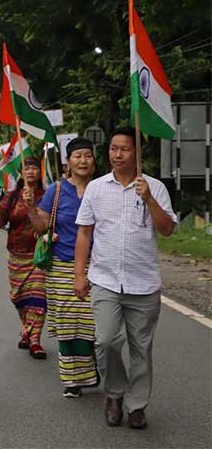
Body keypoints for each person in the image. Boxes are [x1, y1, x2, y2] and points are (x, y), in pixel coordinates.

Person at [74, 126, 177, 429]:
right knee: (106, 340)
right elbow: (84, 232)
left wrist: (149, 200)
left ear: (138, 153)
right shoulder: (96, 187)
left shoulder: (154, 187)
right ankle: (114, 393)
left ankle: (136, 405)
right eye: (114, 148)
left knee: (141, 349)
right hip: (105, 280)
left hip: (143, 284)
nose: (117, 155)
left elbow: (167, 229)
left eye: (125, 149)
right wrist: (79, 274)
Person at [29, 137, 99, 398]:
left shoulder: (102, 188)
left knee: (94, 324)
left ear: (94, 161)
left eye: (88, 155)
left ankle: (94, 367)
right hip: (61, 266)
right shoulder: (56, 191)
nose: (82, 160)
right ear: (67, 162)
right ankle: (73, 380)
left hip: (99, 267)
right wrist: (31, 209)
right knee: (70, 325)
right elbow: (41, 228)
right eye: (77, 156)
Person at [0, 156, 47, 358]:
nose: (30, 171)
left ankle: (34, 340)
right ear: (20, 173)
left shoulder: (47, 196)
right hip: (16, 255)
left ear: (40, 172)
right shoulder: (12, 196)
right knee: (19, 298)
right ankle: (26, 330)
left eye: (34, 168)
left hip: (39, 256)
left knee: (38, 297)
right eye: (26, 168)